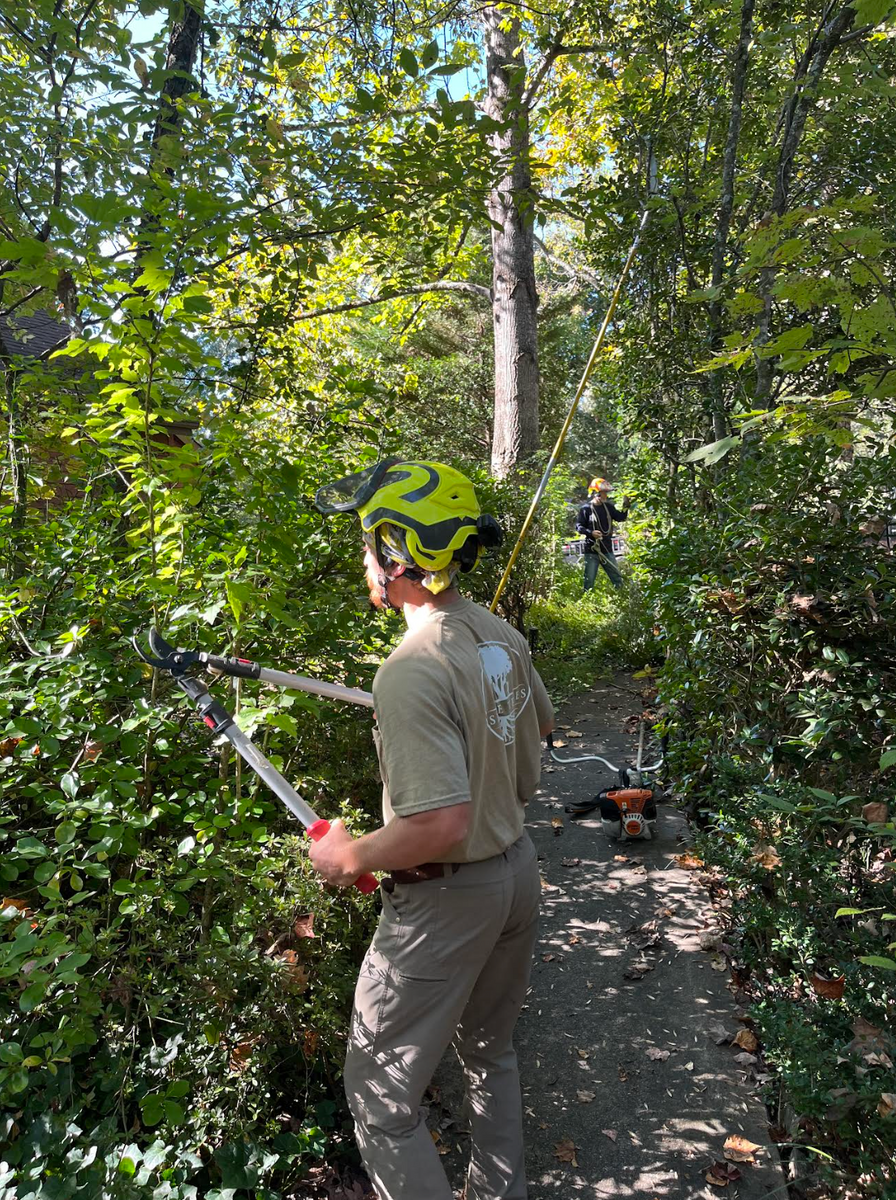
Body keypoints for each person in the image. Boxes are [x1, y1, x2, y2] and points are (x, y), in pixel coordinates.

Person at [309, 458, 555, 1200]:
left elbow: (438, 823)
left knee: (382, 1101)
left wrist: (347, 855)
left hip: (448, 902)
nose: (363, 560)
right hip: (515, 874)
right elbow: (539, 727)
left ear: (396, 551)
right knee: (491, 1052)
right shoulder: (494, 632)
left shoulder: (411, 667)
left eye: (365, 542)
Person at [575, 476, 631, 591]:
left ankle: (623, 597)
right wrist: (591, 533)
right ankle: (587, 601)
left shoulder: (609, 507)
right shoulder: (586, 509)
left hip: (607, 549)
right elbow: (579, 527)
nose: (606, 495)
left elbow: (621, 517)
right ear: (596, 493)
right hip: (592, 550)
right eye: (604, 493)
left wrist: (626, 506)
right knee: (589, 580)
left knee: (617, 578)